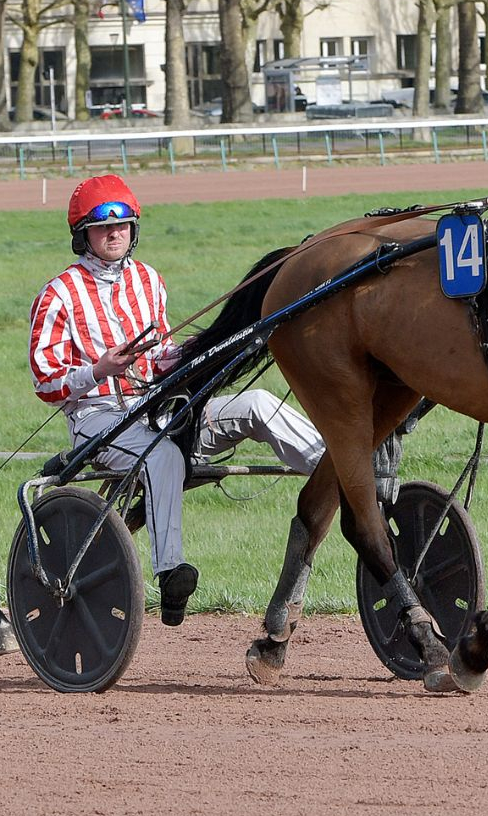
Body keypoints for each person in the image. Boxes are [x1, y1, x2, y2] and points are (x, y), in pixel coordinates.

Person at [27, 175, 325, 626]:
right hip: (98, 419)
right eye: (103, 227)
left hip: (162, 410)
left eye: (123, 225)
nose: (114, 234)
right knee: (162, 455)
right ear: (82, 234)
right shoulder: (58, 294)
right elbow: (45, 383)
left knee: (259, 403)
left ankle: (340, 475)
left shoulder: (149, 281)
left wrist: (200, 352)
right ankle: (170, 572)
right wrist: (100, 369)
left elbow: (163, 355)